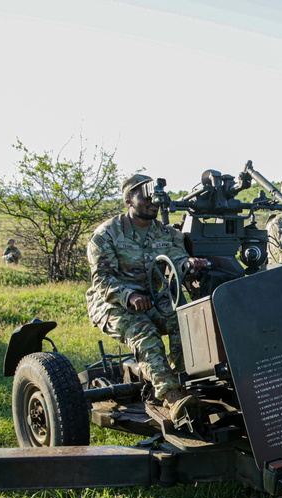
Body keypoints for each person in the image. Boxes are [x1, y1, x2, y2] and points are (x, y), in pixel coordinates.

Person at [86, 174, 209, 420]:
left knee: (186, 323)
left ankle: (189, 380)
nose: (153, 202)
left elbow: (176, 259)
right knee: (144, 333)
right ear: (129, 200)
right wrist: (129, 295)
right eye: (145, 197)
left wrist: (190, 265)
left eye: (155, 198)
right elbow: (102, 280)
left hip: (154, 299)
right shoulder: (107, 234)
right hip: (112, 303)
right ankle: (172, 397)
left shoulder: (166, 233)